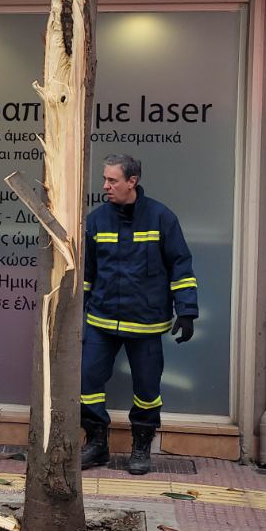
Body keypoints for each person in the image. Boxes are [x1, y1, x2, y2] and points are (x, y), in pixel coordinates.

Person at [79, 153, 198, 475]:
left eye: (112, 180)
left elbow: (180, 265)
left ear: (132, 181)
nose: (105, 186)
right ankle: (96, 444)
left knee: (147, 389)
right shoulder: (96, 220)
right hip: (101, 319)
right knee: (87, 381)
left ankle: (141, 448)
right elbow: (87, 274)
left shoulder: (161, 217)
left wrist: (186, 310)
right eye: (104, 179)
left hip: (146, 323)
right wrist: (78, 314)